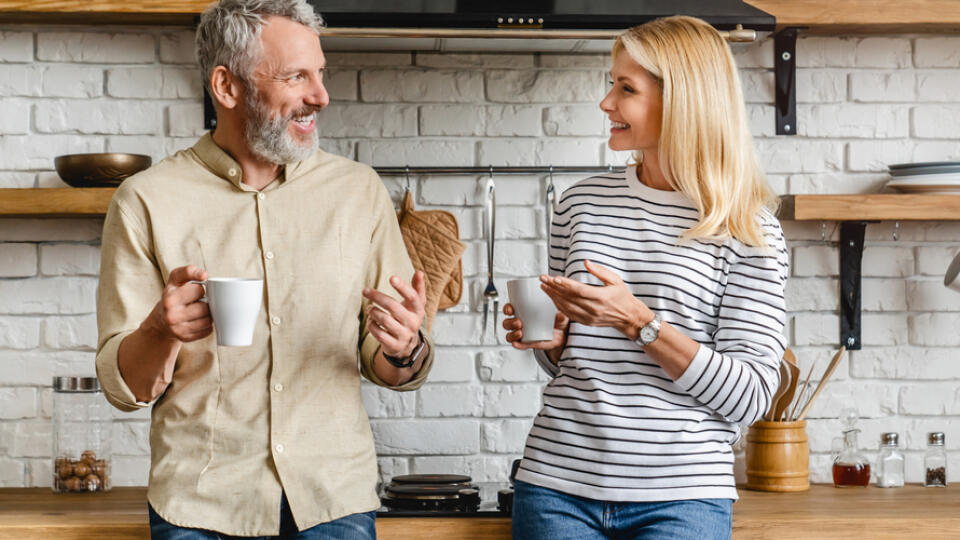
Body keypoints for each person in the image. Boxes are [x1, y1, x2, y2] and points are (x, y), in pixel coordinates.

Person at [95, 0, 434, 538]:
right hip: (200, 506)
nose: (320, 96)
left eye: (320, 74)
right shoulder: (146, 200)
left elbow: (391, 367)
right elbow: (124, 388)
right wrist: (160, 329)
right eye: (296, 76)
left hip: (331, 502)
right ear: (227, 87)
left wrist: (404, 348)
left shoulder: (358, 192)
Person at [503, 16, 788, 540]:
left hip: (683, 497)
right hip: (557, 484)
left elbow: (750, 397)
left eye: (626, 89)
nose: (606, 103)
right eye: (611, 84)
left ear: (683, 101)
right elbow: (575, 365)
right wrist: (554, 341)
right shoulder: (579, 205)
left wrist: (639, 322)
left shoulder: (749, 231)